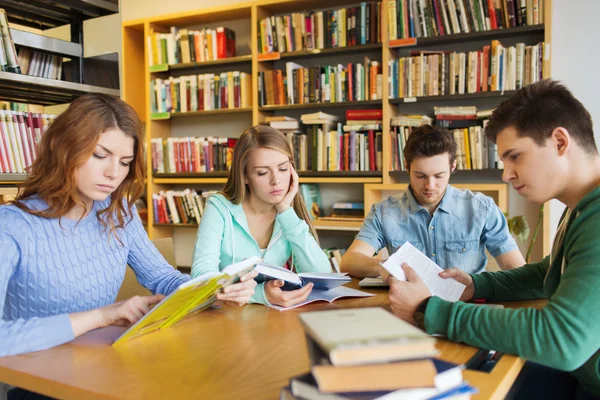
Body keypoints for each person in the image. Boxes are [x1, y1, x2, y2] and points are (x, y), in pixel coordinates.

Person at [0, 93, 258, 360]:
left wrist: (214, 292)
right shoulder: (10, 225)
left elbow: (164, 279)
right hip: (38, 379)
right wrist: (100, 317)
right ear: (63, 147)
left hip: (103, 363)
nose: (114, 173)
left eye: (125, 163)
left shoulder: (118, 212)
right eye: (100, 155)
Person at [388, 79, 600, 399]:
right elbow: (550, 270)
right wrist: (477, 285)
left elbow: (562, 340)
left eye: (515, 156)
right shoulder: (582, 208)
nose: (506, 174)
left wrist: (428, 309)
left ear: (559, 142)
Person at [340, 124, 525, 278]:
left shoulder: (481, 209)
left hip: (466, 310)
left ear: (452, 167)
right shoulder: (384, 212)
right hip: (407, 310)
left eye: (439, 176)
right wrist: (385, 268)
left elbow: (516, 269)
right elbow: (349, 261)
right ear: (407, 167)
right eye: (420, 175)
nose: (430, 185)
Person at [191, 125, 332, 308]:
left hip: (272, 320)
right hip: (224, 318)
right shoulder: (219, 208)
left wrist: (285, 211)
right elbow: (202, 278)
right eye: (262, 173)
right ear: (245, 176)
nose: (276, 180)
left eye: (283, 169)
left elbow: (321, 275)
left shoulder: (288, 213)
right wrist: (260, 294)